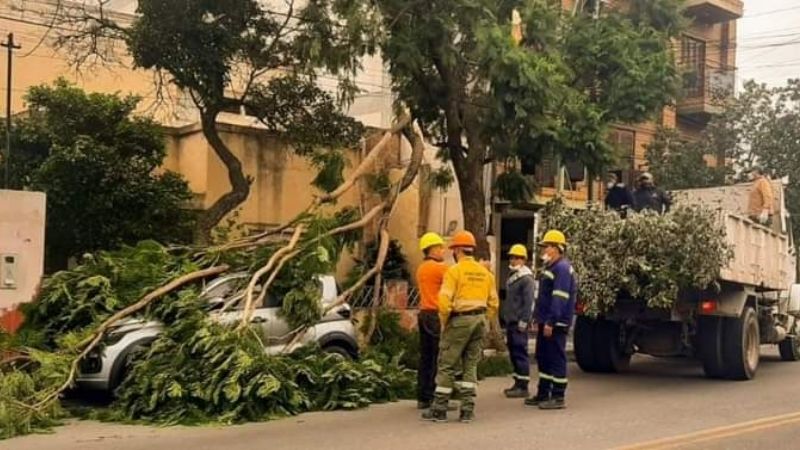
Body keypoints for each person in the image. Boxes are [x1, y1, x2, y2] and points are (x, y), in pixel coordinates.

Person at [422, 231, 499, 423]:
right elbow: (494, 303)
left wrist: (445, 321)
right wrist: (484, 319)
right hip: (479, 320)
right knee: (470, 365)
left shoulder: (454, 271)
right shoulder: (485, 273)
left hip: (459, 320)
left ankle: (439, 409)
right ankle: (467, 410)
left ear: (457, 250)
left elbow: (444, 301)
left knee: (447, 365)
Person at [525, 230, 577, 410]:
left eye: (546, 246)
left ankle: (557, 396)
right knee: (544, 356)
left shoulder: (561, 268)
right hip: (546, 320)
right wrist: (537, 318)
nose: (543, 250)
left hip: (555, 323)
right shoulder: (551, 267)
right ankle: (543, 392)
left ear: (557, 248)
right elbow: (543, 297)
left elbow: (559, 297)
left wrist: (551, 322)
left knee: (556, 357)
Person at [415, 232, 449, 410]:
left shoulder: (421, 268)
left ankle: (423, 396)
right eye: (440, 247)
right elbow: (457, 279)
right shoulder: (439, 268)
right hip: (436, 315)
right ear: (432, 249)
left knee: (426, 357)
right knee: (438, 357)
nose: (443, 251)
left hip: (424, 314)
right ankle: (435, 397)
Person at [501, 244, 535, 399]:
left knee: (520, 353)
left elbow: (528, 303)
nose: (513, 260)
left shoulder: (526, 278)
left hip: (518, 323)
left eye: (516, 258)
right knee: (514, 353)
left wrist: (524, 321)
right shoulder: (513, 276)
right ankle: (517, 382)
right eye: (511, 257)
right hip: (511, 321)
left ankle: (523, 386)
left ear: (523, 260)